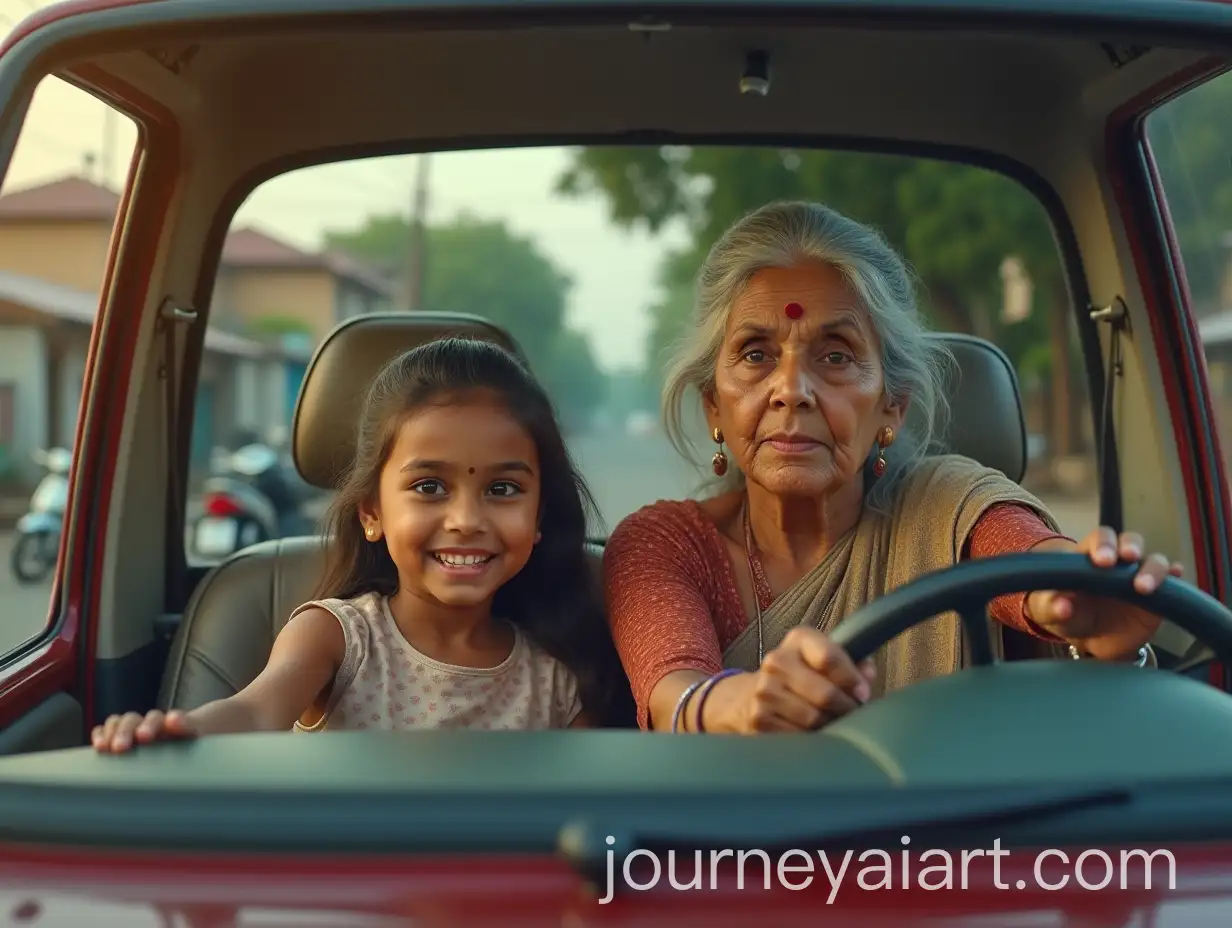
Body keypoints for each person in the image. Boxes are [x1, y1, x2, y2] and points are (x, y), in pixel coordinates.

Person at [603, 200, 1183, 735]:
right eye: (756, 355)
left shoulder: (948, 505)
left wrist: (1083, 595)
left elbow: (1035, 566)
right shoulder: (665, 545)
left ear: (892, 407)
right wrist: (744, 703)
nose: (792, 390)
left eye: (835, 357)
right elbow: (674, 695)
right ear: (714, 406)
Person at [94, 337, 634, 751]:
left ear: (539, 515)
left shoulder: (559, 676)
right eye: (429, 487)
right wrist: (174, 731)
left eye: (502, 489)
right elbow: (255, 713)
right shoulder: (337, 637)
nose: (467, 519)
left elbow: (581, 813)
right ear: (372, 513)